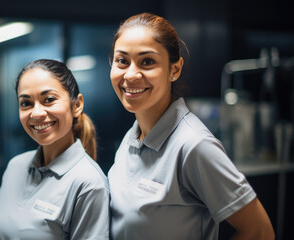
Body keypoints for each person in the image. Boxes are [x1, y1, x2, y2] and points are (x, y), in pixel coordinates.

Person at [108, 13, 275, 240]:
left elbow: (260, 231)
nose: (131, 74)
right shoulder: (131, 138)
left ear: (174, 70)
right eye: (122, 60)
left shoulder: (193, 145)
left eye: (147, 61)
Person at [0, 59, 110, 240]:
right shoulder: (15, 166)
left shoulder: (88, 183)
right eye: (26, 103)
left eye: (49, 100)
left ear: (77, 105)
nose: (36, 113)